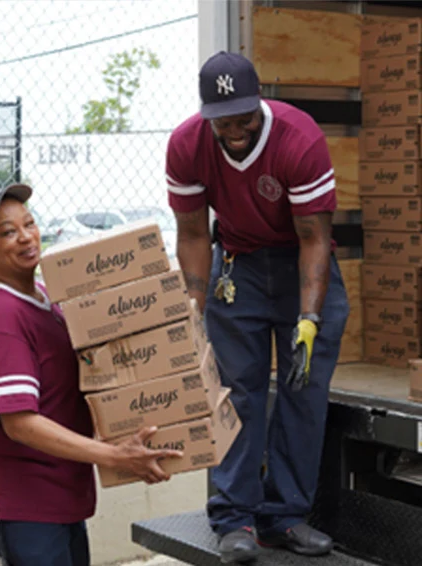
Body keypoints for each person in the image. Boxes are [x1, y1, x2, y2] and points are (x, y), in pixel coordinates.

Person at [167, 51, 349, 562]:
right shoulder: (186, 144)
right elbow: (193, 232)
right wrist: (195, 306)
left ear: (260, 100)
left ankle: (285, 517)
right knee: (236, 393)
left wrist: (309, 319)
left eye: (245, 117)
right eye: (224, 120)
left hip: (302, 266)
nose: (236, 129)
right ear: (207, 115)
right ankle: (233, 519)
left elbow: (315, 238)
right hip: (238, 268)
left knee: (303, 390)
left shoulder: (300, 137)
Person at [0, 183, 184, 566]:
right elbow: (19, 423)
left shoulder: (46, 300)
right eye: (8, 232)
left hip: (58, 494)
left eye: (29, 224)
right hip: (20, 500)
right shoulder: (0, 316)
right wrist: (114, 455)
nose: (26, 237)